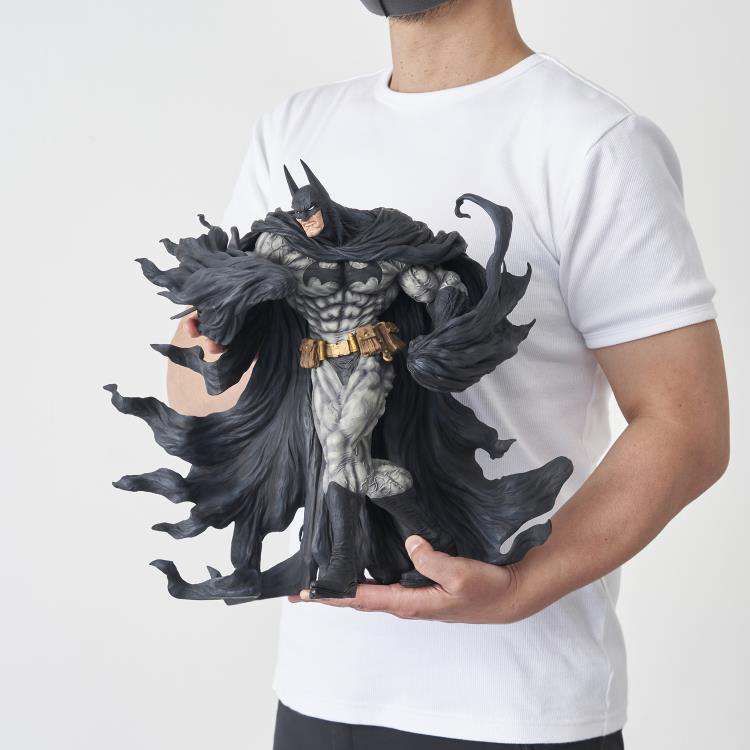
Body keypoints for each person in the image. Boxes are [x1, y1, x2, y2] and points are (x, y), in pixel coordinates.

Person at [167, 1, 729, 747]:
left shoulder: (593, 141)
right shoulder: (295, 129)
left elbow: (686, 427)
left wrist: (521, 585)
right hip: (320, 690)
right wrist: (217, 348)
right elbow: (203, 390)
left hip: (517, 707)